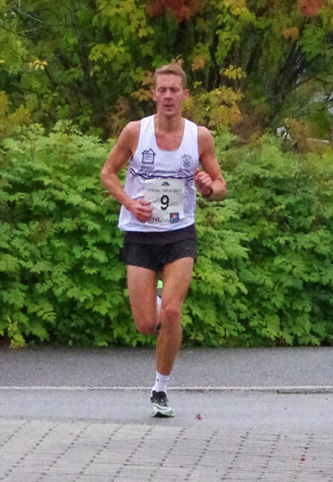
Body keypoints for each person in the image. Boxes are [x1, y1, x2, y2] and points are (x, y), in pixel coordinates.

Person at [100, 63, 226, 418]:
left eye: (174, 90)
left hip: (179, 234)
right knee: (145, 324)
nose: (168, 96)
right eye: (162, 90)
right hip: (140, 235)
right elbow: (107, 173)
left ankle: (160, 389)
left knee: (172, 311)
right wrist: (129, 203)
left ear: (185, 95)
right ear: (153, 95)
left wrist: (208, 188)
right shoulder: (134, 132)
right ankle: (156, 299)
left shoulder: (199, 137)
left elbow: (220, 186)